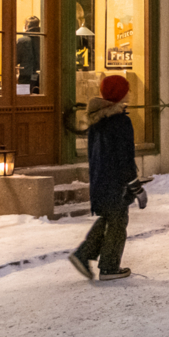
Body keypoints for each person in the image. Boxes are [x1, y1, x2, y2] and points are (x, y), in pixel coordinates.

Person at [69, 75, 145, 281]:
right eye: (126, 90)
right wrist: (135, 186)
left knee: (109, 218)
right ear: (119, 94)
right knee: (118, 221)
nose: (129, 93)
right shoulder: (120, 122)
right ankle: (109, 267)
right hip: (116, 184)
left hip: (100, 180)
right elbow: (124, 157)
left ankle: (83, 255)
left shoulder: (97, 120)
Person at [16, 16, 41, 94]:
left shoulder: (22, 41)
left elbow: (15, 60)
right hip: (42, 79)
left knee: (22, 100)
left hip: (25, 78)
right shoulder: (44, 39)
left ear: (26, 26)